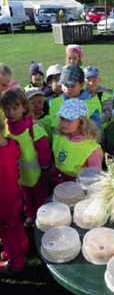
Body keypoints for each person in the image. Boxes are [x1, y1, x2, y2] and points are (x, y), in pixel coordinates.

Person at [1, 88, 52, 227]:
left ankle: (43, 219)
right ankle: (30, 215)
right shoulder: (5, 128)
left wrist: (46, 167)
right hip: (19, 175)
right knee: (26, 197)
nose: (11, 112)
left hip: (37, 174)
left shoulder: (32, 128)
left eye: (15, 108)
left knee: (40, 197)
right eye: (7, 109)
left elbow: (44, 150)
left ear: (24, 107)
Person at [51, 98, 103, 185]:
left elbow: (95, 178)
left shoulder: (91, 149)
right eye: (62, 118)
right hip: (58, 182)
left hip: (78, 188)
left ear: (82, 122)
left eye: (69, 120)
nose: (63, 123)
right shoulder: (59, 137)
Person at [0, 117, 29, 272]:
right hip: (15, 195)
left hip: (2, 203)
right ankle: (23, 244)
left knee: (7, 233)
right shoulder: (12, 144)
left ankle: (16, 261)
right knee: (16, 223)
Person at [48, 65, 101, 131]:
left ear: (81, 84)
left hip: (83, 141)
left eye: (71, 85)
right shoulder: (54, 102)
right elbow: (52, 126)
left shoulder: (92, 103)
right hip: (58, 141)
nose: (67, 88)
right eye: (64, 84)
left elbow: (96, 131)